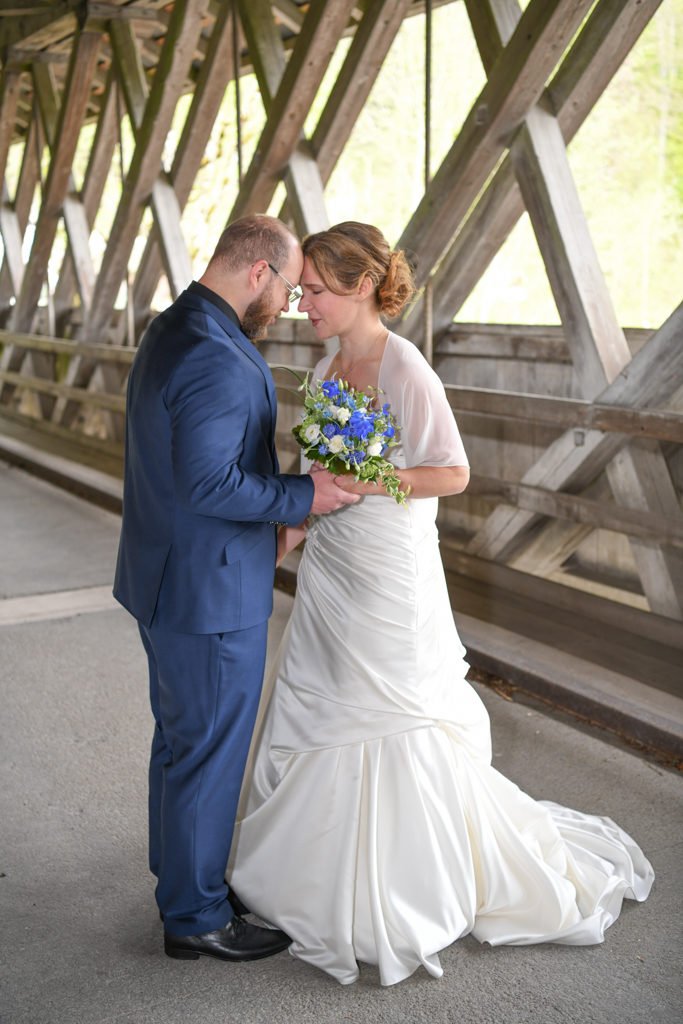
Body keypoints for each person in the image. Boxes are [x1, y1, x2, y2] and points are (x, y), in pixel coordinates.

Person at [227, 222, 654, 986]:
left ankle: (403, 886)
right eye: (299, 293)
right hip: (331, 566)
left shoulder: (406, 368)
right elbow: (308, 471)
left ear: (359, 287)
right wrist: (281, 544)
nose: (302, 305)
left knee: (392, 714)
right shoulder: (326, 370)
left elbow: (451, 472)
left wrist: (373, 481)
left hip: (389, 566)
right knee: (320, 703)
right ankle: (306, 876)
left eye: (315, 291)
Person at [113, 214, 358, 964]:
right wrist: (301, 497)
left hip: (167, 575)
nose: (286, 303)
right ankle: (194, 916)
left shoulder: (176, 323)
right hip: (208, 591)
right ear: (257, 271)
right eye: (287, 287)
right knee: (209, 751)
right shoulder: (216, 355)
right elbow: (210, 481)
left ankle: (178, 876)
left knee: (181, 740)